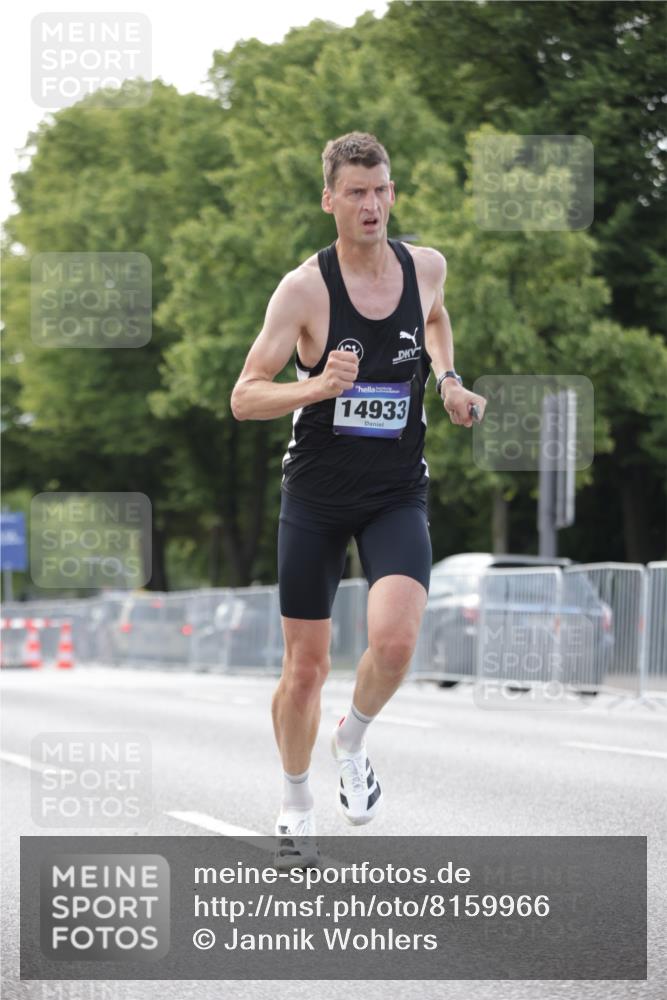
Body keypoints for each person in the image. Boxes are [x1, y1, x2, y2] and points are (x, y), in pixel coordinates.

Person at [231, 132, 485, 864]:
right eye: (355, 193)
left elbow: (434, 317)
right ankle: (294, 801)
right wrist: (317, 386)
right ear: (330, 201)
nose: (370, 205)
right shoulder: (304, 291)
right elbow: (244, 396)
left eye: (380, 191)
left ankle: (353, 738)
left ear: (391, 193)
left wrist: (448, 379)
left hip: (395, 490)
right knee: (305, 669)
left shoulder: (426, 267)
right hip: (315, 496)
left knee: (396, 644)